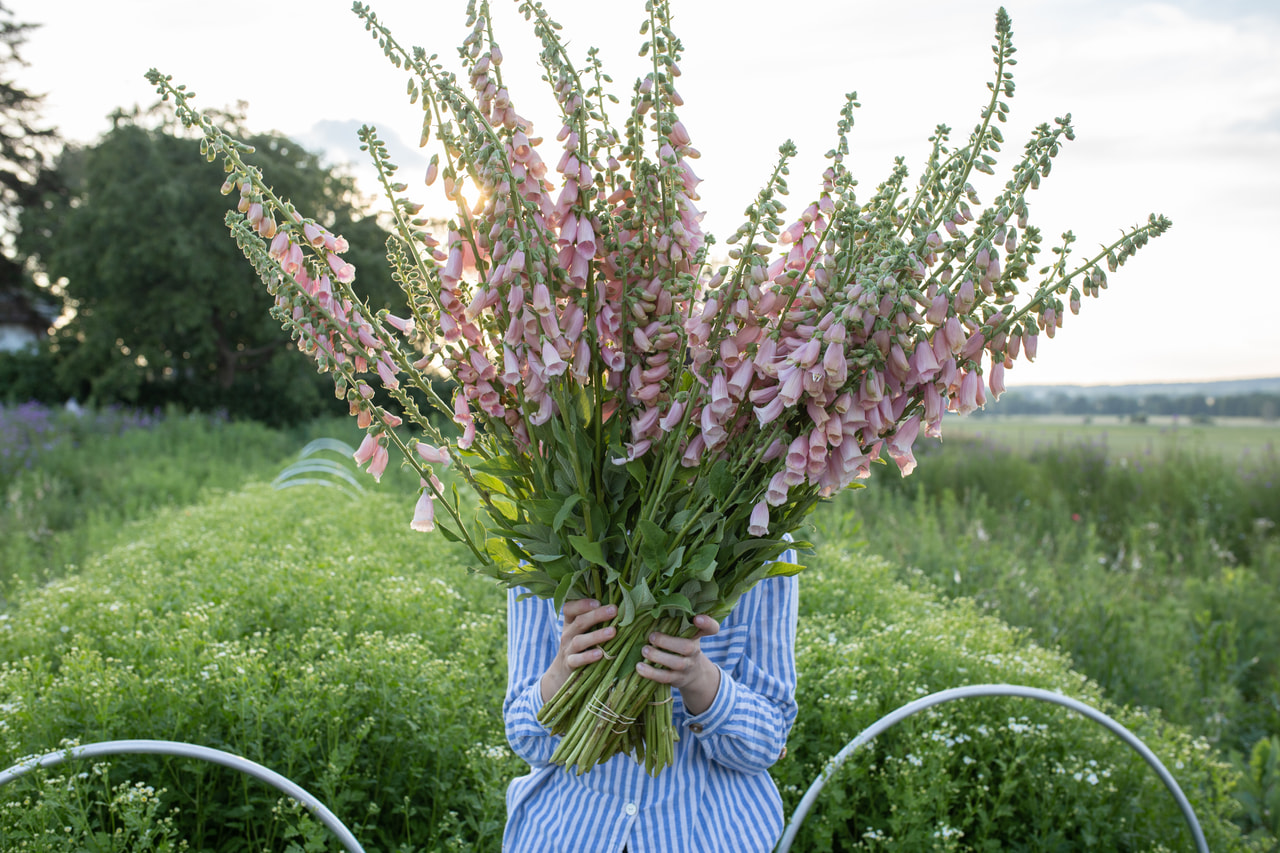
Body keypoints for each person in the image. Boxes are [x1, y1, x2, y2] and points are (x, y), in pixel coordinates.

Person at [502, 551, 799, 853]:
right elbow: (525, 740)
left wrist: (700, 679)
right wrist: (562, 674)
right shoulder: (534, 547)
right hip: (568, 832)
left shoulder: (770, 546)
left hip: (707, 835)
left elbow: (769, 742)